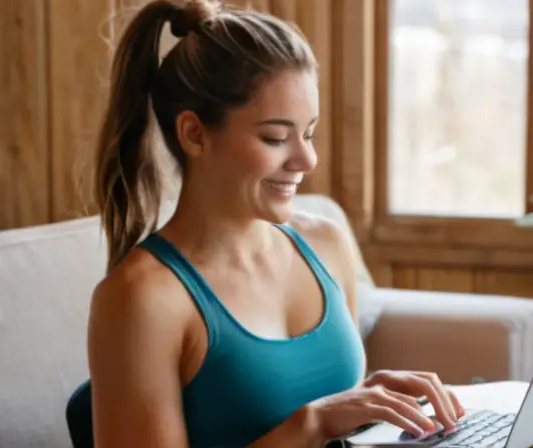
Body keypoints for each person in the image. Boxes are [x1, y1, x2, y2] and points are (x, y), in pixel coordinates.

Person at [65, 1, 465, 447]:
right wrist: (312, 424)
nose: (306, 159)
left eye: (308, 133)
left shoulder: (326, 244)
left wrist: (367, 399)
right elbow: (310, 422)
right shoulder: (142, 298)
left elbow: (321, 415)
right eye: (275, 138)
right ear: (194, 134)